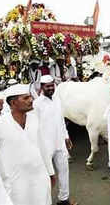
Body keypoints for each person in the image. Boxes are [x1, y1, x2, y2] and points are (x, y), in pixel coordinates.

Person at [0, 84, 54, 205]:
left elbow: (43, 148)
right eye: (25, 98)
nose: (31, 100)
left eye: (30, 97)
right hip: (15, 183)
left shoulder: (34, 119)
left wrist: (50, 172)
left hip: (39, 177)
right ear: (13, 103)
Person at [33, 75, 76, 205]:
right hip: (45, 145)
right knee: (46, 176)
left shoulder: (57, 100)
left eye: (52, 85)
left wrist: (66, 137)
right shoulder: (36, 104)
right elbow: (34, 127)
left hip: (60, 142)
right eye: (48, 86)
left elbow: (61, 121)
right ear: (42, 87)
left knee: (64, 172)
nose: (51, 88)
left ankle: (64, 199)